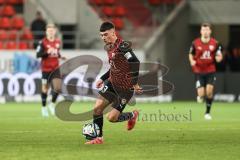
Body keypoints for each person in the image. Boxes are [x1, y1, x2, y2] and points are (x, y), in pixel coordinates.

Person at [85, 21, 142, 144]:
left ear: (113, 32)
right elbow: (114, 67)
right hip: (111, 83)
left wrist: (135, 82)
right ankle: (98, 138)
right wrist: (102, 78)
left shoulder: (123, 46)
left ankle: (132, 115)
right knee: (97, 109)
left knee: (112, 118)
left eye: (105, 34)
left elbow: (135, 62)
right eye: (101, 35)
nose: (103, 38)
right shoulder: (109, 47)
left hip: (125, 88)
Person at [188, 23, 223, 120]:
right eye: (203, 30)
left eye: (207, 30)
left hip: (210, 70)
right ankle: (200, 96)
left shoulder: (215, 43)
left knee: (209, 91)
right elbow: (191, 54)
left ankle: (207, 112)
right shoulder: (195, 43)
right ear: (201, 31)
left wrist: (219, 58)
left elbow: (219, 55)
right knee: (201, 94)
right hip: (198, 71)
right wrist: (192, 61)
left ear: (210, 31)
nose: (205, 32)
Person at [36, 23, 66, 117]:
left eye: (52, 30)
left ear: (55, 31)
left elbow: (56, 52)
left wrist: (61, 56)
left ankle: (52, 104)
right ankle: (44, 107)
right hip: (46, 69)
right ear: (46, 32)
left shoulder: (57, 42)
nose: (51, 32)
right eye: (49, 30)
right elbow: (38, 55)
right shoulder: (42, 42)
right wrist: (46, 52)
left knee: (58, 88)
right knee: (45, 88)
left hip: (55, 68)